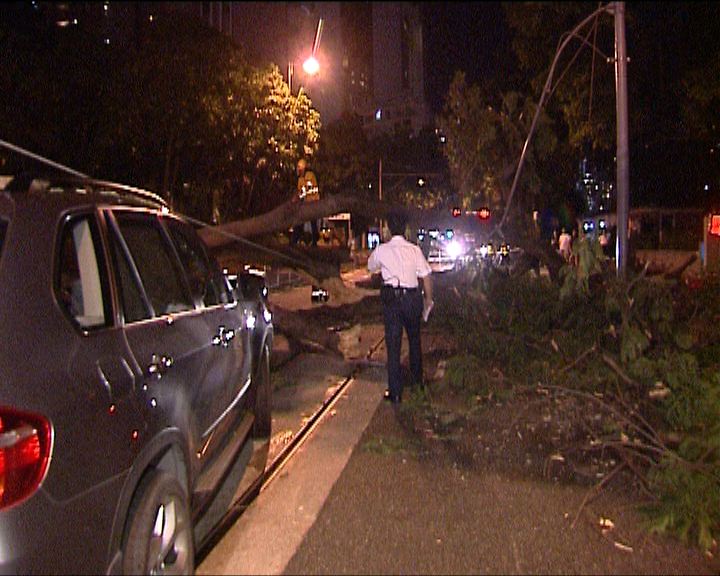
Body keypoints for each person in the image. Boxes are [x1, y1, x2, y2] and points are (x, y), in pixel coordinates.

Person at [368, 210, 433, 404]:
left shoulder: (381, 250)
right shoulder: (414, 250)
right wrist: (428, 299)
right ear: (405, 229)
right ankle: (417, 382)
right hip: (412, 299)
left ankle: (395, 392)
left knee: (393, 345)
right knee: (414, 340)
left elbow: (371, 266)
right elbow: (426, 276)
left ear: (388, 229)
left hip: (393, 301)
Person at [291, 158, 320, 246]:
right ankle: (296, 240)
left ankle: (314, 241)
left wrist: (298, 197)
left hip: (313, 202)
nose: (297, 169)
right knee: (302, 221)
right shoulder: (300, 179)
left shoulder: (309, 176)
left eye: (299, 167)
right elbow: (300, 192)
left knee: (312, 222)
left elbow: (307, 190)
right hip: (306, 203)